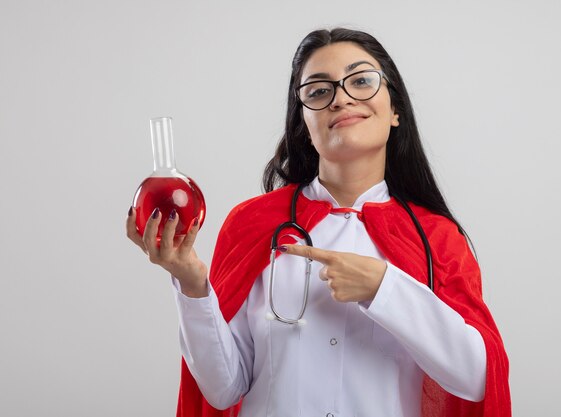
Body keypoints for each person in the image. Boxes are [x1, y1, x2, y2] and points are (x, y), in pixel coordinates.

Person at [127, 28, 511, 417]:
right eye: (318, 91)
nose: (341, 97)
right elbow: (224, 389)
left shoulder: (437, 239)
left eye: (361, 80)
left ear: (395, 110)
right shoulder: (253, 223)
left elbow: (477, 376)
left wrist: (384, 287)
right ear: (303, 125)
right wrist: (193, 287)